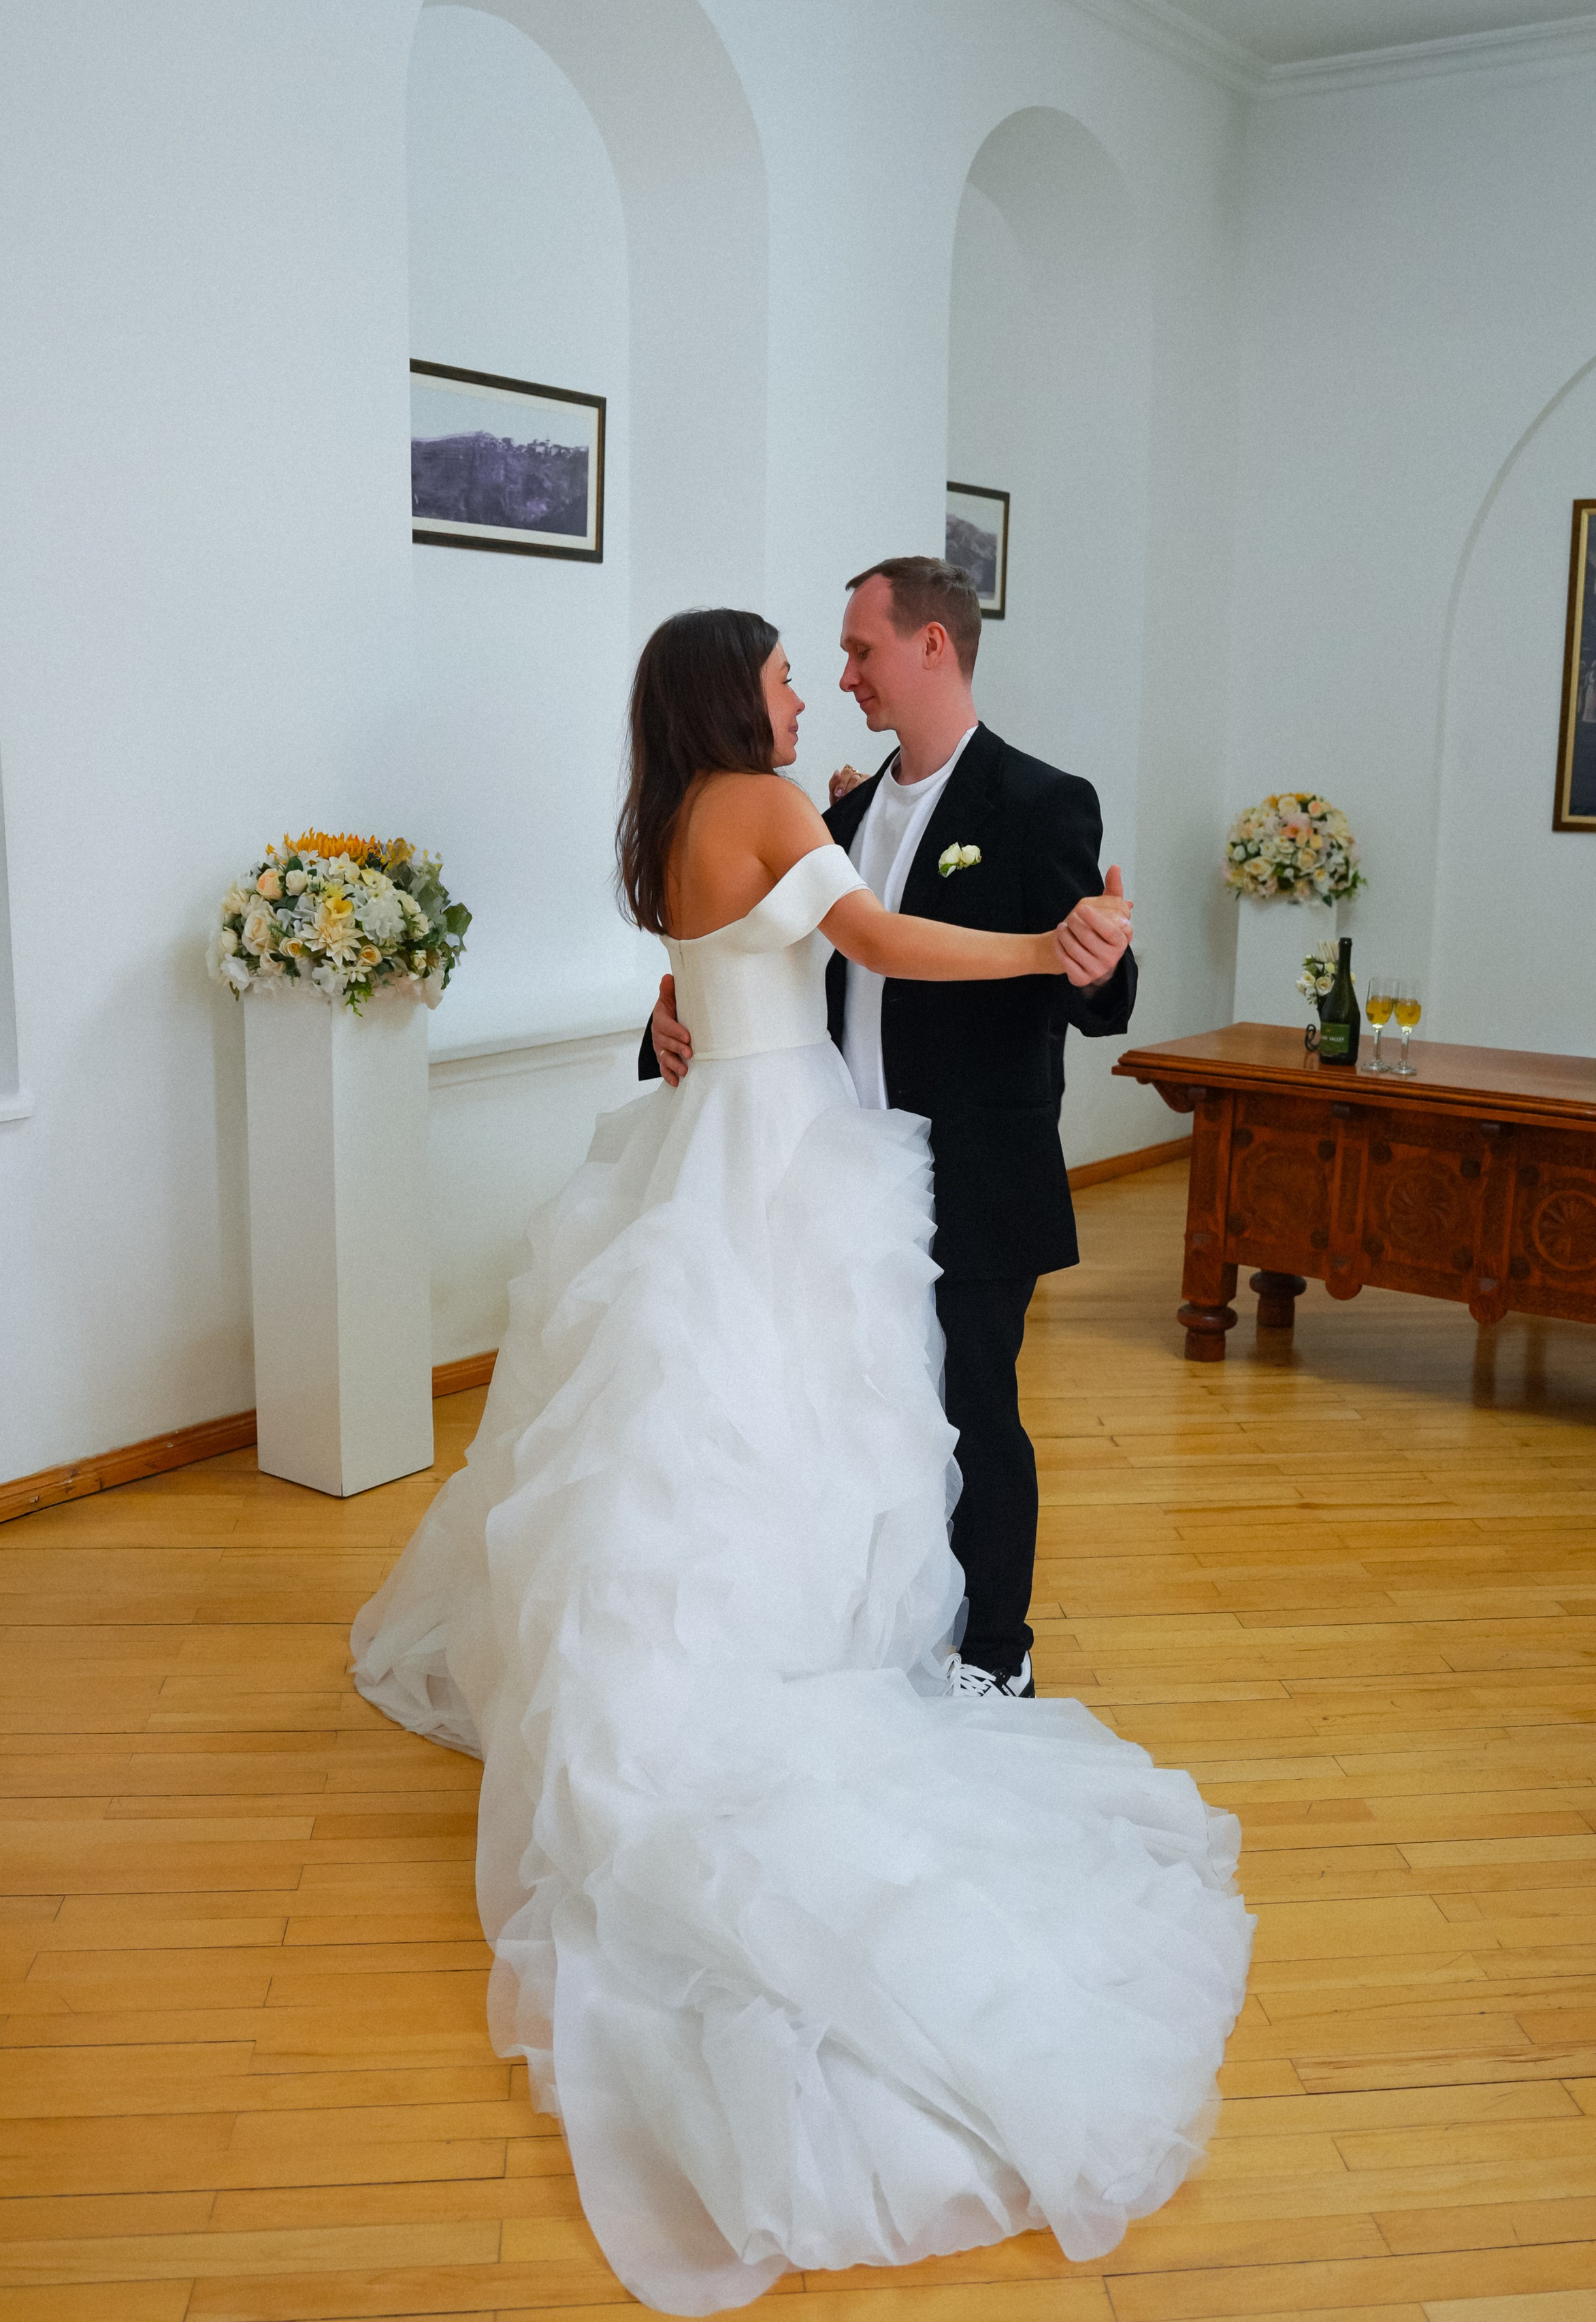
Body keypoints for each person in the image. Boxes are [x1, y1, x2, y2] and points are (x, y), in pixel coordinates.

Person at [352, 606, 1252, 2316]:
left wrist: (685, 1006)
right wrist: (1038, 941)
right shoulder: (776, 801)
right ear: (734, 692)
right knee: (804, 1412)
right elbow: (880, 942)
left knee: (709, 1422)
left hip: (723, 1139)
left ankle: (769, 1637)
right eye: (784, 663)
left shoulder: (679, 810)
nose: (808, 683)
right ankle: (820, 1660)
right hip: (788, 1146)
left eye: (833, 651)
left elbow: (700, 968)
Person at [645, 556, 1134, 1702]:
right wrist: (664, 1022)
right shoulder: (838, 812)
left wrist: (1094, 959)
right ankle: (889, 1635)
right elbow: (752, 952)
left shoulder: (1039, 801)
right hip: (828, 1172)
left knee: (974, 1412)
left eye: (860, 650)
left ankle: (997, 1653)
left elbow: (1099, 996)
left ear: (932, 646)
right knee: (858, 1418)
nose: (842, 676)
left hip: (972, 1165)